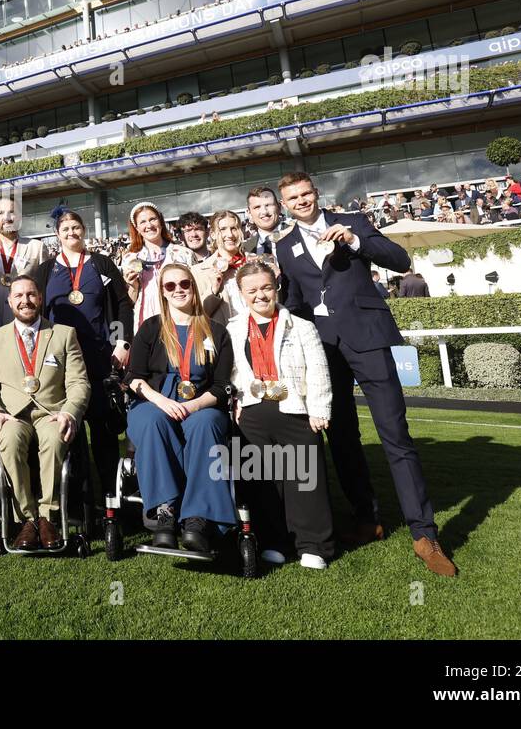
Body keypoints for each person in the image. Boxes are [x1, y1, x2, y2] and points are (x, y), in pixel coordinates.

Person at [274, 171, 455, 576]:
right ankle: (366, 517)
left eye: (306, 194)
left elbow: (400, 260)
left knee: (395, 434)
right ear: (284, 204)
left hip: (369, 339)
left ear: (316, 194)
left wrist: (355, 242)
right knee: (342, 438)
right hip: (324, 350)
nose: (301, 201)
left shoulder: (352, 223)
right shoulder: (284, 247)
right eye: (293, 198)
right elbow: (298, 301)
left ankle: (424, 534)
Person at [0, 276, 90, 551]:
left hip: (52, 412)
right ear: (10, 302)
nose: (26, 301)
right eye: (19, 296)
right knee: (8, 440)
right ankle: (26, 519)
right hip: (13, 416)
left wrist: (70, 413)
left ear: (40, 298)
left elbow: (79, 382)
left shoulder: (63, 334)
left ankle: (48, 516)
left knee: (55, 436)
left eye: (31, 294)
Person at [227, 262, 334, 569]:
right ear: (242, 294)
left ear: (276, 288)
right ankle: (274, 540)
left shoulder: (302, 326)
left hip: (295, 409)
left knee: (304, 479)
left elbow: (318, 370)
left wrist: (319, 408)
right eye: (252, 290)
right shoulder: (234, 329)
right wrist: (236, 401)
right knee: (264, 481)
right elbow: (232, 372)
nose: (260, 295)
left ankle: (313, 545)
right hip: (253, 411)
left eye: (266, 288)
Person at [123, 263, 234, 553]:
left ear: (193, 287)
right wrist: (161, 401)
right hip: (154, 400)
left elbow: (222, 385)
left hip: (201, 402)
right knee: (153, 422)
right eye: (170, 286)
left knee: (205, 424)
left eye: (184, 284)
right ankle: (165, 512)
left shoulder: (217, 332)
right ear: (162, 292)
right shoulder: (151, 327)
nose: (178, 290)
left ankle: (198, 518)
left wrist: (195, 405)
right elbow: (133, 377)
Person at [32, 211, 133, 495]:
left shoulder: (101, 263)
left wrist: (122, 342)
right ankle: (76, 497)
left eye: (76, 227)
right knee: (66, 427)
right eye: (65, 228)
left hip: (99, 355)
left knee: (102, 429)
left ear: (84, 230)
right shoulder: (46, 269)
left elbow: (123, 304)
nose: (71, 232)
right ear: (57, 234)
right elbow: (38, 313)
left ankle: (112, 496)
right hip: (59, 360)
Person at [119, 200, 199, 333]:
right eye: (143, 222)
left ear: (161, 222)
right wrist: (133, 286)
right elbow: (129, 302)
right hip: (146, 322)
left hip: (181, 319)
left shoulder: (184, 253)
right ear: (137, 228)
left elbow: (197, 290)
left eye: (153, 219)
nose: (149, 225)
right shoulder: (130, 259)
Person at [0, 196, 50, 323]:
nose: (7, 218)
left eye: (12, 212)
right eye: (1, 213)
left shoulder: (37, 247)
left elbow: (45, 289)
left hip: (26, 320)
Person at [197, 209, 249, 321]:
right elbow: (198, 315)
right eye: (223, 229)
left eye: (234, 228)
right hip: (224, 335)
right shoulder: (199, 271)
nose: (229, 235)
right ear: (213, 234)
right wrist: (213, 290)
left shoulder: (253, 262)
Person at [243, 186, 289, 256]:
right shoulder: (247, 249)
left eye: (268, 205)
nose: (264, 212)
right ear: (249, 213)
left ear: (279, 207)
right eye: (257, 207)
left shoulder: (297, 232)